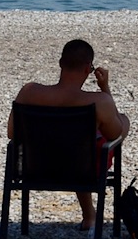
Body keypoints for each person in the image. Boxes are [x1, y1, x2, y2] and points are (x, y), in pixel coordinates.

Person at [10, 38, 130, 228]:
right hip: (83, 169)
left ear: (60, 64)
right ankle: (90, 216)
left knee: (74, 142)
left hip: (35, 167)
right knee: (119, 123)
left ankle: (89, 215)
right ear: (87, 69)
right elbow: (116, 135)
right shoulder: (99, 102)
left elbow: (12, 133)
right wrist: (105, 89)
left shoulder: (29, 92)